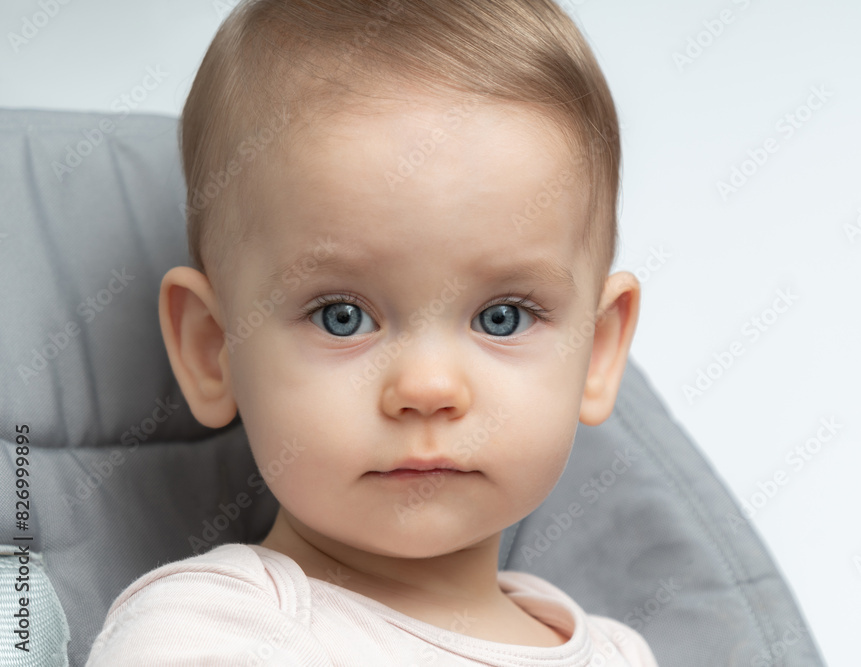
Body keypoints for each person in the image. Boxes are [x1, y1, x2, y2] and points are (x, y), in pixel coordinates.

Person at [87, 0, 653, 663]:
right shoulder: (210, 632)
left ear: (599, 352)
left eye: (503, 316)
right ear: (214, 349)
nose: (427, 388)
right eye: (342, 316)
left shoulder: (620, 653)